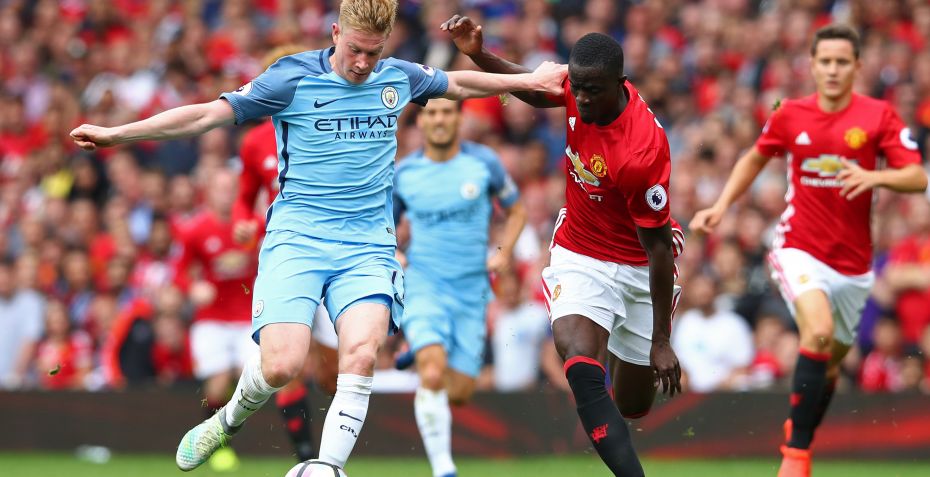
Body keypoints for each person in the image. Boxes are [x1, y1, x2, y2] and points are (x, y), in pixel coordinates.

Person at [69, 0, 565, 473]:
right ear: (335, 33)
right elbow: (205, 115)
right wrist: (118, 134)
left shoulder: (398, 77)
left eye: (374, 52)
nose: (363, 63)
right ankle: (227, 420)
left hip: (368, 245)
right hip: (298, 238)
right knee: (281, 366)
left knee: (361, 354)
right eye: (355, 49)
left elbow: (456, 83)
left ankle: (326, 468)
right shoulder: (291, 77)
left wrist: (527, 79)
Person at [443, 17, 685, 477]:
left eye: (593, 91)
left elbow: (657, 251)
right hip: (581, 251)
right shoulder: (579, 84)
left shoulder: (640, 154)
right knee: (578, 360)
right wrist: (478, 53)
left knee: (632, 406)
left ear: (620, 83)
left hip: (638, 263)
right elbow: (535, 89)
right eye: (578, 89)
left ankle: (632, 346)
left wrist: (661, 341)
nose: (583, 98)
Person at [690, 24, 927, 477]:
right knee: (816, 333)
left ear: (857, 67)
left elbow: (916, 176)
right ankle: (796, 453)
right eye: (826, 61)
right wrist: (721, 205)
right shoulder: (790, 114)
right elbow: (754, 157)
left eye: (842, 62)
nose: (833, 70)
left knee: (830, 365)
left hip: (853, 265)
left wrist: (874, 176)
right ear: (813, 66)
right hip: (798, 246)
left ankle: (800, 427)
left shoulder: (878, 115)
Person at [393, 97, 525, 477]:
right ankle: (444, 469)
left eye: (447, 112)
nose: (439, 119)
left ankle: (418, 350)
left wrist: (503, 252)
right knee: (433, 373)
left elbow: (516, 210)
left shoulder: (484, 163)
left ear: (459, 118)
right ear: (421, 121)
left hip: (471, 291)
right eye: (431, 112)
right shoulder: (405, 173)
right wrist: (394, 253)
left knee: (461, 393)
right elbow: (383, 223)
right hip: (424, 283)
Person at [233, 44, 341, 463]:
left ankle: (329, 450)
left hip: (334, 251)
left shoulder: (331, 123)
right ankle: (307, 460)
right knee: (283, 363)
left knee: (332, 373)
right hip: (285, 253)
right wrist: (243, 222)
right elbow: (245, 198)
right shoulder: (254, 142)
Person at [172, 168, 261, 472]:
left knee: (253, 377)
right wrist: (192, 288)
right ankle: (218, 445)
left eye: (231, 188)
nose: (226, 194)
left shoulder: (252, 225)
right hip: (211, 318)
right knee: (218, 382)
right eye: (220, 188)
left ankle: (232, 436)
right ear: (208, 192)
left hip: (247, 316)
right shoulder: (195, 230)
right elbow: (179, 272)